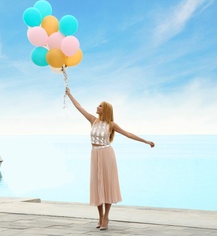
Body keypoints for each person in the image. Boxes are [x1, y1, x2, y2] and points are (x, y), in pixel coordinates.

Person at [65, 87, 155, 230]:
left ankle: (106, 216)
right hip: (95, 154)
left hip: (107, 155)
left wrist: (146, 141)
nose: (97, 107)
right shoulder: (93, 120)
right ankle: (100, 216)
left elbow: (128, 134)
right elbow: (78, 107)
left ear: (105, 110)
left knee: (107, 185)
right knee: (97, 185)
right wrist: (69, 94)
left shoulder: (111, 125)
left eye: (100, 105)